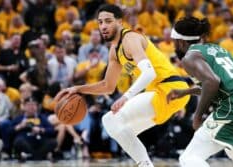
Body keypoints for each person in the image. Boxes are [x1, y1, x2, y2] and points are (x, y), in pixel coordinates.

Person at [55, 4, 190, 167]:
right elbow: (107, 86)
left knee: (110, 120)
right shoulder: (114, 50)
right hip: (166, 93)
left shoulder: (130, 38)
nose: (103, 26)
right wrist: (78, 89)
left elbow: (149, 73)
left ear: (119, 22)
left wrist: (126, 97)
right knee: (124, 133)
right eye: (100, 22)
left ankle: (145, 165)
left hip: (169, 88)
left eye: (108, 21)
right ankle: (143, 163)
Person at [167, 17, 233, 167]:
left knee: (189, 157)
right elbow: (221, 85)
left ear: (181, 41)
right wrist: (185, 92)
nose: (173, 45)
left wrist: (197, 116)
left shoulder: (190, 57)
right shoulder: (218, 49)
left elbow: (212, 82)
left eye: (174, 41)